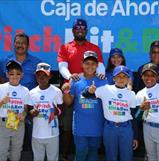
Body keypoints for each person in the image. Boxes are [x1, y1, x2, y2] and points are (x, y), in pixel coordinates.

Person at [57, 18, 105, 160]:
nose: (80, 30)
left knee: (93, 123)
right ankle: (65, 155)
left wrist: (100, 75)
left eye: (83, 28)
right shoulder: (65, 47)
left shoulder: (94, 47)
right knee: (67, 127)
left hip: (92, 87)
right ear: (73, 31)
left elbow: (100, 67)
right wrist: (71, 77)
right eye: (77, 28)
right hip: (73, 89)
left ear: (86, 31)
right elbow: (62, 67)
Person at [0, 32, 41, 152]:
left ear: (28, 46)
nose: (20, 45)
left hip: (30, 105)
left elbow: (41, 83)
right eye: (17, 42)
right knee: (11, 139)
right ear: (14, 44)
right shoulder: (5, 61)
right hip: (12, 106)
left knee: (35, 136)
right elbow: (2, 81)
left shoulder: (36, 62)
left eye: (23, 43)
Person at [61, 51, 107, 161]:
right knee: (80, 153)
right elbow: (68, 102)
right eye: (87, 63)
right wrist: (66, 92)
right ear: (82, 64)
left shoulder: (103, 81)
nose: (90, 66)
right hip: (80, 127)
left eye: (93, 63)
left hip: (97, 126)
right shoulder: (75, 80)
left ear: (97, 65)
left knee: (93, 154)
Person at [86, 65, 137, 161]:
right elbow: (87, 95)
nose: (121, 79)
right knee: (110, 156)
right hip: (110, 128)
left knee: (127, 157)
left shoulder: (131, 94)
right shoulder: (106, 89)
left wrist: (135, 136)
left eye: (124, 76)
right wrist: (89, 90)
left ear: (128, 79)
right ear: (113, 78)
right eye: (118, 76)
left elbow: (133, 116)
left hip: (126, 128)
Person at [0, 60, 31, 161]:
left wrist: (24, 114)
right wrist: (2, 102)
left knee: (16, 154)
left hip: (19, 124)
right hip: (3, 124)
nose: (15, 76)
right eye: (11, 73)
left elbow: (26, 108)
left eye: (17, 73)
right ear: (7, 75)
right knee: (1, 154)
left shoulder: (25, 90)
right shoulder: (0, 88)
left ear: (22, 75)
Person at [29, 63, 63, 161]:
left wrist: (57, 111)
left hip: (52, 133)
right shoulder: (32, 93)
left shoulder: (56, 91)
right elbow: (29, 111)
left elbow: (61, 109)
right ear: (35, 77)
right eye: (39, 75)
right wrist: (32, 112)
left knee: (53, 158)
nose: (42, 78)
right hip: (37, 133)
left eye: (45, 75)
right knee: (37, 158)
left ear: (50, 76)